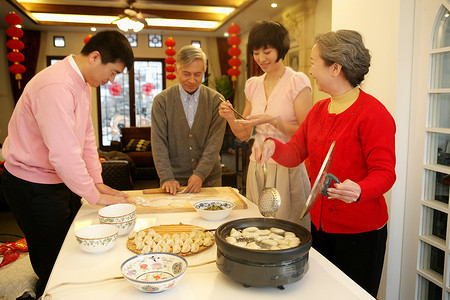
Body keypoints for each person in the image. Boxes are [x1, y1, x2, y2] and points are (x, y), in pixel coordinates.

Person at [254, 30, 396, 297]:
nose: (310, 70)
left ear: (335, 68)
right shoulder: (319, 110)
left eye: (313, 62)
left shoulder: (374, 114)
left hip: (360, 232)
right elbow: (296, 151)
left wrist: (360, 190)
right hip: (319, 225)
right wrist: (273, 146)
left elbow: (385, 173)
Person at [1, 30, 134, 298]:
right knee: (52, 255)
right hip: (31, 182)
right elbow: (63, 154)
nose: (110, 81)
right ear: (95, 57)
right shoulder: (57, 85)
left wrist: (96, 181)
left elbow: (85, 136)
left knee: (68, 244)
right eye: (113, 73)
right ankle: (49, 291)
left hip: (55, 177)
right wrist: (94, 195)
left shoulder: (81, 83)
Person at [219, 20, 312, 227]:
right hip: (257, 165)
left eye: (267, 52)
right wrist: (230, 118)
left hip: (288, 167)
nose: (261, 59)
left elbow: (307, 133)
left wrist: (272, 120)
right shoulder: (253, 85)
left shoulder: (297, 81)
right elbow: (243, 134)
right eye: (255, 52)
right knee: (258, 227)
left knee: (288, 230)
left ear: (281, 49)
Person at [151, 45, 226, 195]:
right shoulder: (162, 101)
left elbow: (214, 143)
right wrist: (166, 177)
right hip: (173, 181)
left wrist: (200, 174)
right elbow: (159, 142)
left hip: (209, 180)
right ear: (177, 70)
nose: (192, 80)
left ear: (204, 72)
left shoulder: (216, 101)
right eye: (186, 74)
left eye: (198, 74)